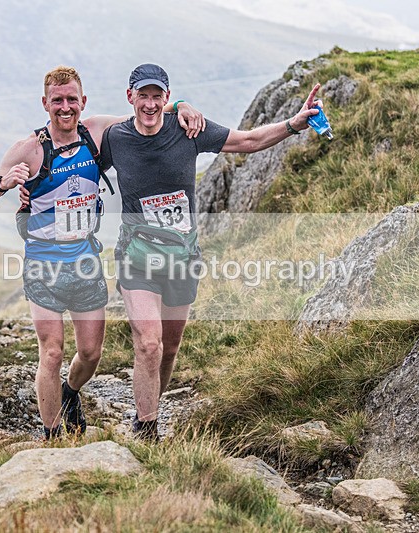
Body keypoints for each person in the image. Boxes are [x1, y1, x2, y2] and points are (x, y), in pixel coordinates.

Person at [0, 65, 205, 439]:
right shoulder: (28, 149)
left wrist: (181, 104)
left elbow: (146, 113)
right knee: (51, 352)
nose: (65, 107)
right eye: (57, 101)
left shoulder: (96, 132)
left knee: (91, 354)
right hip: (43, 264)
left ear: (83, 102)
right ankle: (52, 437)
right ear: (44, 103)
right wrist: (2, 183)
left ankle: (71, 393)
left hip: (84, 262)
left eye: (71, 100)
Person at [99, 63, 322, 440]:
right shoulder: (115, 138)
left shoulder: (189, 131)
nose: (150, 104)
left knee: (169, 348)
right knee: (148, 344)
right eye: (143, 95)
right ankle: (146, 427)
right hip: (136, 257)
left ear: (166, 98)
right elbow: (79, 161)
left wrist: (294, 124)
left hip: (183, 258)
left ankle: (151, 404)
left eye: (158, 96)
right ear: (130, 97)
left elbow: (248, 141)